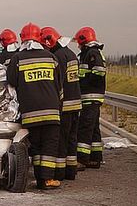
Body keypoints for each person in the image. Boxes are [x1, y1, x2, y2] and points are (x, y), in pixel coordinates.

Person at [6, 23, 63, 189]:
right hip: (51, 111)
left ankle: (40, 178)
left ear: (22, 38)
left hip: (30, 113)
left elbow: (11, 82)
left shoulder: (17, 58)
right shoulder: (51, 57)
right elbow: (59, 85)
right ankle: (47, 179)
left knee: (36, 146)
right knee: (50, 145)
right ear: (40, 38)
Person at [41, 26, 82, 180]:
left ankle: (59, 172)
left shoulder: (57, 56)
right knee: (72, 138)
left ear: (49, 42)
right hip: (76, 103)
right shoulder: (71, 54)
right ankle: (71, 171)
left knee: (61, 140)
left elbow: (58, 83)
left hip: (65, 105)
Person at [75, 27, 106, 169]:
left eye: (78, 42)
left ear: (83, 40)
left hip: (90, 96)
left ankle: (82, 159)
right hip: (92, 97)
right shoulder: (89, 53)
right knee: (93, 129)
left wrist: (85, 83)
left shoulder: (92, 53)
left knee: (85, 128)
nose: (78, 45)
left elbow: (99, 71)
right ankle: (95, 158)